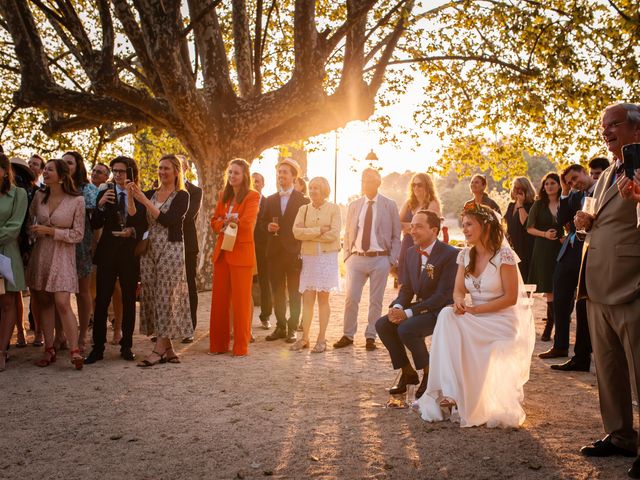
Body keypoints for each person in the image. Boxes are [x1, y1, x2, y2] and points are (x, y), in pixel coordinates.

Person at [416, 204, 535, 427]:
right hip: (476, 318)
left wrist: (474, 311)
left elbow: (511, 298)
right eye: (464, 225)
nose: (466, 229)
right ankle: (447, 391)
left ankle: (450, 392)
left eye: (470, 224)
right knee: (446, 315)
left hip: (502, 321)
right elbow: (458, 290)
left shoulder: (504, 255)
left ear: (486, 226)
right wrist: (460, 301)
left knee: (450, 319)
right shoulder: (464, 255)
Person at [575, 102, 640, 479]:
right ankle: (619, 435)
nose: (606, 132)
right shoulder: (604, 174)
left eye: (613, 124)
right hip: (597, 284)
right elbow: (597, 223)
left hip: (632, 282)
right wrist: (583, 224)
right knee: (609, 367)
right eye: (603, 127)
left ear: (636, 129)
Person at [375, 210, 458, 398]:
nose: (413, 230)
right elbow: (406, 289)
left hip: (441, 311)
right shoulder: (411, 252)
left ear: (434, 230)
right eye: (412, 226)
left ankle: (430, 375)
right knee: (383, 324)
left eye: (419, 226)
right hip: (420, 308)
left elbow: (443, 295)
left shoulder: (450, 254)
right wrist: (397, 308)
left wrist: (409, 313)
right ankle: (408, 373)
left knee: (406, 328)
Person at [128, 154, 193, 366]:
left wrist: (145, 201)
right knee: (154, 294)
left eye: (166, 168)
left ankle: (157, 350)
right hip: (150, 249)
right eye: (160, 168)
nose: (162, 172)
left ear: (176, 171)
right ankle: (169, 349)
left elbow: (167, 220)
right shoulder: (150, 193)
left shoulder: (182, 195)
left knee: (167, 294)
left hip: (172, 247)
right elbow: (134, 216)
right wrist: (131, 197)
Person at [84, 156, 147, 364]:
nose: (117, 174)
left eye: (121, 171)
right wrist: (100, 205)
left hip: (129, 254)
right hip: (108, 253)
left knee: (129, 300)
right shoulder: (105, 193)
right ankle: (98, 347)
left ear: (130, 172)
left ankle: (126, 345)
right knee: (101, 301)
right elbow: (94, 224)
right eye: (114, 170)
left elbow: (144, 226)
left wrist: (133, 231)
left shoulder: (139, 195)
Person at [26, 159, 85, 370]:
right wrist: (34, 232)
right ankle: (49, 349)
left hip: (62, 255)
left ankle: (75, 350)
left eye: (49, 169)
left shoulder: (77, 200)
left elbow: (78, 234)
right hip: (41, 254)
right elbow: (30, 223)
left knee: (62, 301)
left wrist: (51, 231)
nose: (45, 172)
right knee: (44, 302)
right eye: (45, 169)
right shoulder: (39, 196)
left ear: (61, 176)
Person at [335, 168, 401, 351]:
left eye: (370, 180)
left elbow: (397, 235)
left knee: (376, 300)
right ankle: (348, 335)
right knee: (351, 298)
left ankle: (371, 336)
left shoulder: (389, 205)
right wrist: (348, 256)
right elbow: (348, 232)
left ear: (378, 182)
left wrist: (391, 259)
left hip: (380, 258)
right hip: (356, 258)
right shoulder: (355, 205)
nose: (366, 183)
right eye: (363, 180)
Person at [539, 165, 595, 368]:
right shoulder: (572, 196)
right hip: (567, 255)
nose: (573, 183)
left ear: (584, 172)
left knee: (582, 306)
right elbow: (561, 220)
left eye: (575, 178)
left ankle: (582, 356)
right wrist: (564, 192)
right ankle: (560, 345)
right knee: (560, 300)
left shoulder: (600, 190)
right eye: (569, 181)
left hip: (587, 254)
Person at [209, 159, 259, 356]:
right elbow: (214, 220)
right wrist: (222, 224)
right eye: (230, 173)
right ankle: (218, 345)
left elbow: (247, 223)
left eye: (236, 173)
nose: (232, 176)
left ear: (244, 175)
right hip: (222, 253)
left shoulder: (252, 196)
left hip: (242, 254)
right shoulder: (223, 196)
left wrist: (232, 219)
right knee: (219, 301)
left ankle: (240, 347)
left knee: (241, 302)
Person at [290, 177, 341, 353]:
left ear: (324, 190)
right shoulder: (303, 209)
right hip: (310, 258)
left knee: (323, 299)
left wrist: (308, 233)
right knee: (308, 298)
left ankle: (321, 338)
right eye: (310, 188)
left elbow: (334, 234)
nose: (312, 191)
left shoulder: (334, 209)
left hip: (327, 258)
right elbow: (296, 232)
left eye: (316, 188)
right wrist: (319, 230)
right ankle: (305, 338)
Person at [262, 158, 309, 343]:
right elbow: (261, 222)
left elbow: (306, 226)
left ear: (293, 176)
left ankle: (292, 328)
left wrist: (300, 248)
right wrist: (267, 227)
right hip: (274, 252)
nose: (281, 175)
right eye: (279, 172)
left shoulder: (303, 200)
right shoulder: (271, 199)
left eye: (285, 172)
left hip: (294, 252)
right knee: (277, 292)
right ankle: (280, 326)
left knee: (295, 293)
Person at [62, 151, 98, 353]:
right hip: (59, 243)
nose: (66, 167)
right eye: (63, 163)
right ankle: (62, 335)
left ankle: (83, 335)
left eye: (70, 163)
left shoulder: (88, 189)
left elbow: (95, 223)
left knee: (82, 291)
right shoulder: (56, 188)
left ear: (78, 166)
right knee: (60, 292)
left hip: (82, 244)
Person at [526, 172, 563, 341]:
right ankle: (549, 326)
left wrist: (564, 235)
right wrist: (544, 234)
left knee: (561, 286)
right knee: (549, 288)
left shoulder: (566, 201)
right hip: (543, 248)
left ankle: (560, 322)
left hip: (562, 248)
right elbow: (529, 228)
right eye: (546, 184)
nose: (549, 186)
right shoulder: (538, 204)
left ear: (559, 185)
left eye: (552, 183)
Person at [0, 154, 28, 371]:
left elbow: (14, 227)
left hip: (6, 252)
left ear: (4, 171)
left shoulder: (18, 194)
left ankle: (2, 351)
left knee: (8, 302)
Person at [397, 173, 441, 286]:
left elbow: (429, 228)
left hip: (425, 245)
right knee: (404, 271)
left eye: (419, 185)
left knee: (422, 273)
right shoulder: (408, 203)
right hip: (407, 243)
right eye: (413, 185)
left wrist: (406, 226)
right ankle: (403, 299)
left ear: (427, 186)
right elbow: (396, 223)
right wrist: (417, 226)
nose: (416, 187)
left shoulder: (433, 204)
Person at [180, 156, 203, 343]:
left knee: (189, 285)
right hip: (163, 243)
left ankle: (189, 327)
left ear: (186, 168)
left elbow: (188, 216)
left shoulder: (195, 191)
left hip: (187, 243)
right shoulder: (159, 186)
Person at [504, 177, 535, 280]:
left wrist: (521, 205)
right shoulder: (511, 205)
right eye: (516, 187)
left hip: (525, 247)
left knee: (524, 277)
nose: (518, 190)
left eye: (521, 188)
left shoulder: (531, 205)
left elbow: (525, 223)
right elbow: (505, 224)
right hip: (512, 247)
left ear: (527, 189)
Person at [251, 172, 272, 329]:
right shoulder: (243, 201)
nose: (255, 184)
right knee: (246, 284)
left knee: (265, 282)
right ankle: (245, 319)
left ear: (263, 184)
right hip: (246, 248)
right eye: (252, 181)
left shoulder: (268, 203)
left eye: (257, 181)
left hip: (263, 249)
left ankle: (265, 316)